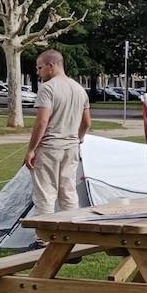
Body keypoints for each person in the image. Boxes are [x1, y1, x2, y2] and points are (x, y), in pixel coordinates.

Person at [24, 49, 91, 221]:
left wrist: (31, 149)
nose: (38, 73)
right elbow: (87, 122)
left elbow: (42, 121)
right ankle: (71, 232)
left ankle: (43, 239)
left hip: (49, 148)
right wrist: (78, 138)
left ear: (51, 65)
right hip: (71, 148)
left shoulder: (47, 88)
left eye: (40, 68)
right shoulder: (79, 89)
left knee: (45, 193)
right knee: (68, 191)